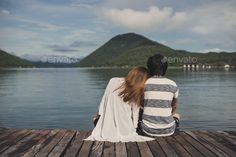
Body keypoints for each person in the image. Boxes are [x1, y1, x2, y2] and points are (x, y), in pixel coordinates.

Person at [85, 67, 154, 142]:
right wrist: (133, 130)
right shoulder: (136, 91)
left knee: (95, 118)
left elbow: (104, 102)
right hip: (126, 128)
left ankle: (102, 123)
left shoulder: (113, 80)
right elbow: (135, 114)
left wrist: (99, 116)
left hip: (108, 125)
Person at [138, 54, 180, 137]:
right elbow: (173, 107)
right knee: (177, 115)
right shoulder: (173, 84)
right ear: (165, 68)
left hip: (147, 130)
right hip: (169, 130)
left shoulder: (144, 84)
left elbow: (141, 104)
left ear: (149, 68)